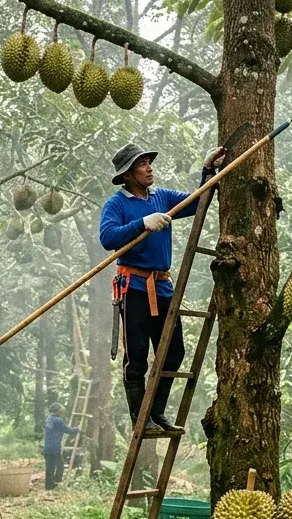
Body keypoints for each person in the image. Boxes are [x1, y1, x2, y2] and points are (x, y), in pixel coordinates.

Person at [101, 142, 225, 430]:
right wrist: (142, 223)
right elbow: (108, 238)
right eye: (142, 164)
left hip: (162, 287)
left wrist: (207, 171)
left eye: (148, 162)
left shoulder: (162, 197)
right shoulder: (117, 204)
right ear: (128, 175)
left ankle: (155, 413)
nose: (149, 168)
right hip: (133, 287)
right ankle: (139, 420)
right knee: (137, 357)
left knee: (173, 351)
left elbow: (197, 203)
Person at [42, 402, 79, 491]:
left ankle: (49, 486)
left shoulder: (49, 419)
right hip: (54, 448)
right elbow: (67, 430)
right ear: (57, 411)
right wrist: (77, 430)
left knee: (50, 467)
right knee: (60, 466)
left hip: (47, 448)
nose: (61, 411)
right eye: (60, 410)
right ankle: (56, 481)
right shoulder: (58, 420)